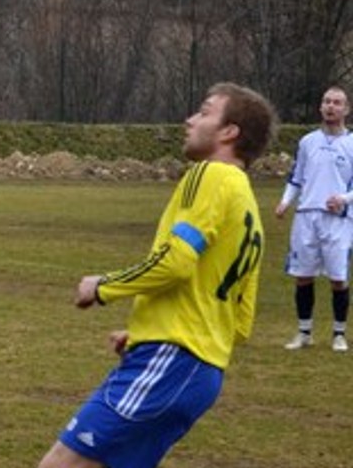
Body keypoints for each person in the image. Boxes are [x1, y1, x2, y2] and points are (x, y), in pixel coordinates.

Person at [36, 82, 275, 468]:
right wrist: (152, 330)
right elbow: (239, 321)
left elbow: (177, 261)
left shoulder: (210, 175)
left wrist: (103, 287)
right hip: (200, 374)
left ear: (229, 132)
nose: (190, 119)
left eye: (204, 111)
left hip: (170, 363)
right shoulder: (248, 208)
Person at [274, 85, 353, 352]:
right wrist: (285, 202)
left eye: (337, 102)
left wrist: (344, 199)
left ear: (346, 109)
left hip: (338, 219)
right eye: (327, 101)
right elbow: (296, 178)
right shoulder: (307, 142)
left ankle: (339, 334)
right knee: (303, 275)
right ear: (321, 107)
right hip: (306, 216)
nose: (331, 106)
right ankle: (304, 332)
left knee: (338, 278)